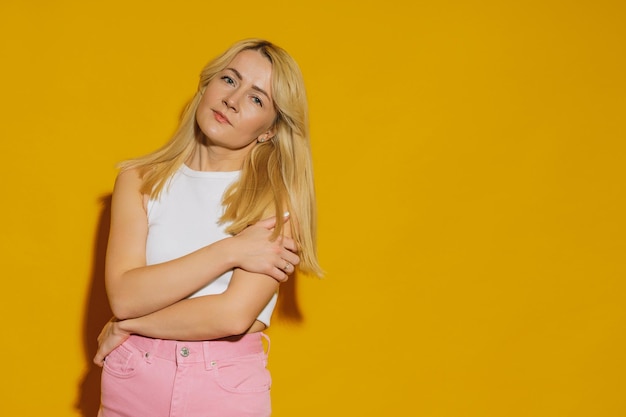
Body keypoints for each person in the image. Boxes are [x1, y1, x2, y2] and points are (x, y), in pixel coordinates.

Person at [93, 38, 322, 417]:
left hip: (223, 387)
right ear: (207, 86)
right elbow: (124, 295)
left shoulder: (275, 202)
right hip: (133, 377)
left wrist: (128, 326)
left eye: (257, 98)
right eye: (230, 80)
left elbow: (232, 315)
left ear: (269, 130)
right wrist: (230, 250)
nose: (233, 99)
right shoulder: (138, 181)